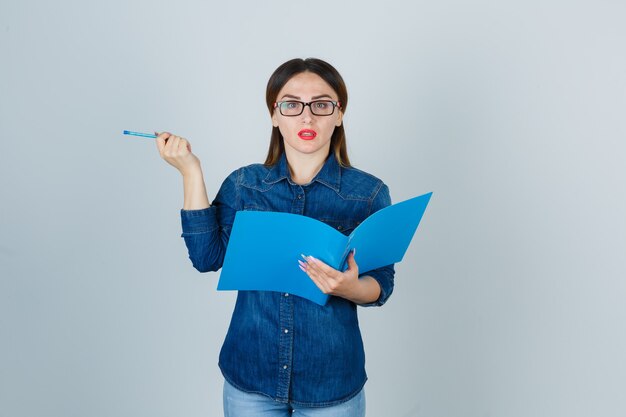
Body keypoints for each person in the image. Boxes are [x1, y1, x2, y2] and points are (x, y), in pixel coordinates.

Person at [156, 58, 395, 417]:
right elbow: (206, 258)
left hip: (330, 381)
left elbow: (382, 283)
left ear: (339, 114)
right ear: (274, 115)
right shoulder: (244, 185)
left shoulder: (369, 193)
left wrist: (349, 288)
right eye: (291, 104)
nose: (307, 117)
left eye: (321, 104)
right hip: (251, 374)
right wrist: (191, 172)